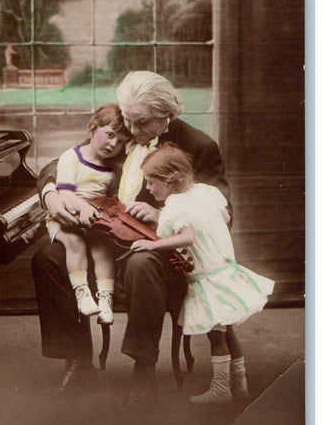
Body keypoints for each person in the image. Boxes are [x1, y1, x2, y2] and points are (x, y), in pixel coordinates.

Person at [32, 70, 232, 404]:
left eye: (142, 124)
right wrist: (51, 193)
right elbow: (62, 162)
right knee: (48, 258)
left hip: (161, 250)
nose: (132, 132)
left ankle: (144, 370)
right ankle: (77, 360)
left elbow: (221, 213)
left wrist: (162, 215)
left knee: (142, 265)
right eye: (127, 121)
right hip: (106, 239)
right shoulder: (124, 130)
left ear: (167, 116)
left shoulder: (198, 146)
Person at [130, 143, 274, 404]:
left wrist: (152, 244)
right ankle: (239, 386)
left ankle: (221, 390)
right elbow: (225, 217)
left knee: (216, 336)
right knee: (228, 332)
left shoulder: (175, 205)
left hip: (208, 278)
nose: (149, 189)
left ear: (171, 179)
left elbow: (186, 237)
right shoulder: (209, 192)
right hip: (226, 269)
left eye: (152, 183)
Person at [46, 104, 130, 324]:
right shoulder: (71, 157)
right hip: (66, 214)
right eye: (110, 135)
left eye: (121, 141)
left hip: (94, 218)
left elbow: (110, 199)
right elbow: (64, 192)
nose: (114, 144)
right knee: (75, 242)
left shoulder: (112, 169)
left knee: (103, 247)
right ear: (93, 128)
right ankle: (82, 293)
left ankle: (105, 300)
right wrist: (82, 207)